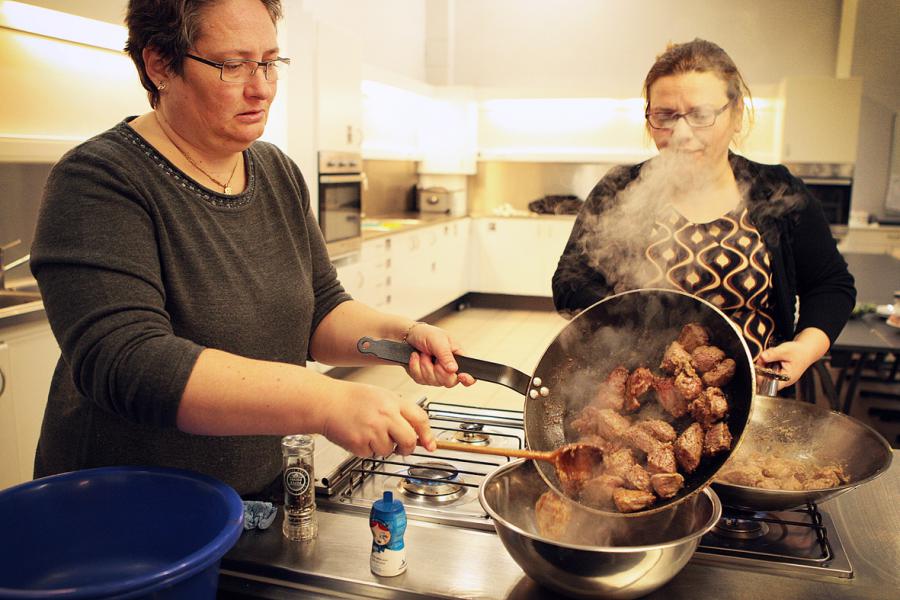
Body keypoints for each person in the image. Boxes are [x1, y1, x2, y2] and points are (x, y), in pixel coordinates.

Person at [29, 0, 474, 499]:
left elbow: (320, 309)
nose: (261, 86)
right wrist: (326, 400)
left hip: (254, 492)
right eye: (232, 64)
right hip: (129, 512)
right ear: (160, 65)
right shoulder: (99, 180)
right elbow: (130, 362)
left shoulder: (275, 170)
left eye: (269, 62)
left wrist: (400, 335)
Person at [552, 39, 855, 390]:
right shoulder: (620, 188)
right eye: (665, 116)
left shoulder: (775, 189)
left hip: (757, 397)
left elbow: (831, 285)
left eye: (700, 115)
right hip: (646, 397)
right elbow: (569, 285)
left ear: (736, 114)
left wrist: (805, 349)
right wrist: (640, 317)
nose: (681, 134)